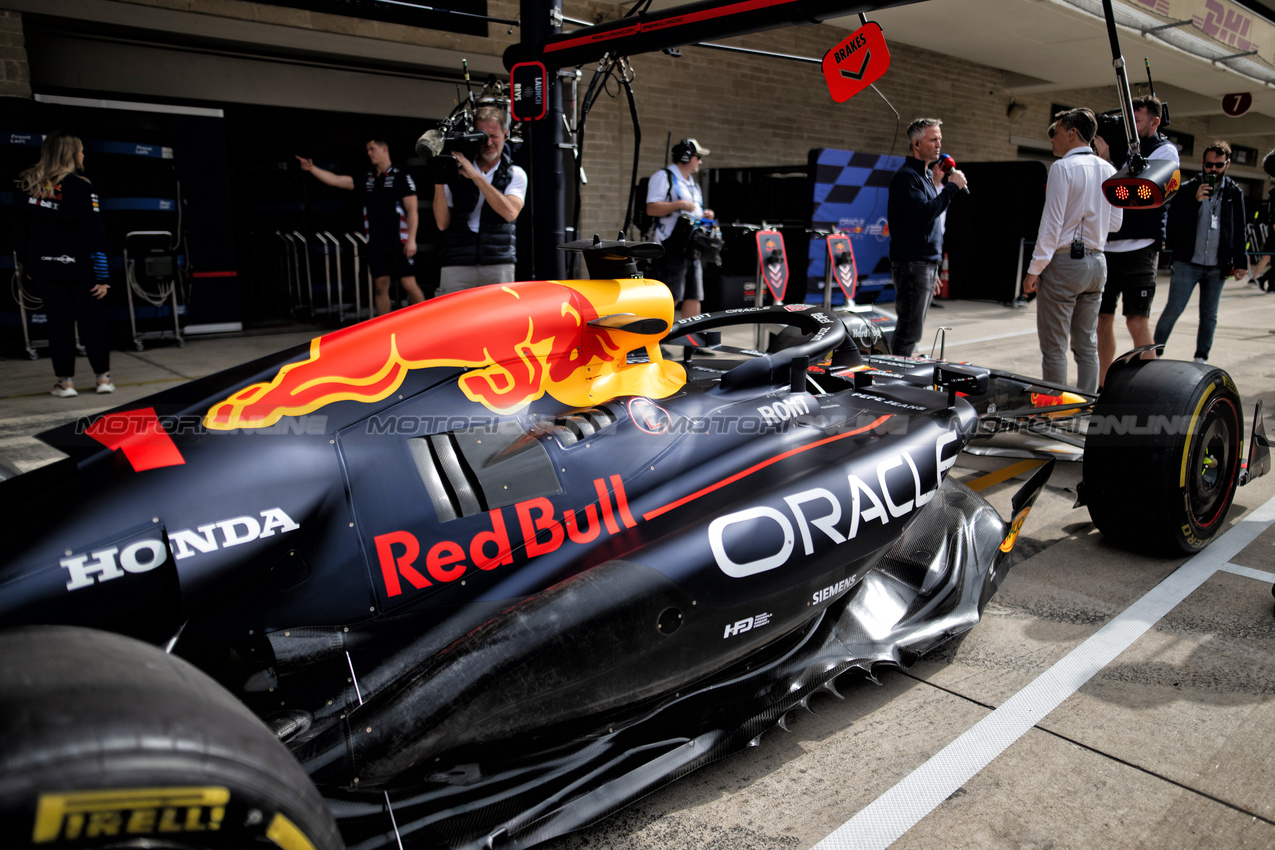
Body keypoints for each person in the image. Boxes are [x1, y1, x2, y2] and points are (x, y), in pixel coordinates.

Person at [1021, 109, 1122, 392]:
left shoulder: (1062, 168)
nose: (1052, 138)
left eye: (1056, 132)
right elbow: (1115, 224)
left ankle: (1054, 412)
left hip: (1066, 263)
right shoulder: (1110, 170)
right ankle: (1085, 405)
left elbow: (1051, 225)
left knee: (1054, 347)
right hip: (1097, 262)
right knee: (1086, 344)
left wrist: (1034, 270)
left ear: (1071, 133)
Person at [13, 131, 114, 398]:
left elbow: (19, 231)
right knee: (92, 322)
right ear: (70, 154)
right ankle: (102, 378)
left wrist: (28, 265)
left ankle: (65, 383)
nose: (83, 155)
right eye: (80, 150)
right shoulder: (82, 186)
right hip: (81, 268)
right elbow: (95, 234)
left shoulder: (27, 184)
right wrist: (102, 276)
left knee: (59, 324)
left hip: (44, 268)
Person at [1093, 95, 1179, 386]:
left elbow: (1137, 189)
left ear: (1155, 122)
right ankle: (1104, 386)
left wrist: (1107, 162)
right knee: (1101, 320)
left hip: (1140, 246)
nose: (1130, 128)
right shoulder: (1116, 148)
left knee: (1135, 320)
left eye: (1137, 122)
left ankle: (1146, 389)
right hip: (1106, 245)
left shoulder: (1165, 151)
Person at [297, 139, 425, 316]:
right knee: (380, 286)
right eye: (367, 150)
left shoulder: (401, 176)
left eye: (372, 149)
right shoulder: (368, 177)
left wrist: (411, 240)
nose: (369, 153)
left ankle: (427, 320)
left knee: (408, 284)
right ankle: (384, 328)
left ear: (384, 149)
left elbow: (412, 210)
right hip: (376, 242)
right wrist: (312, 169)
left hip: (399, 241)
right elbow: (337, 180)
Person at [1156, 141, 1247, 363]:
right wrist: (1195, 202)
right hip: (1188, 262)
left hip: (1219, 264)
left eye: (1218, 165)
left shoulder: (1234, 193)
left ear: (1227, 164)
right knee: (1174, 308)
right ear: (1202, 163)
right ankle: (1155, 352)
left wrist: (1241, 262)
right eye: (1209, 165)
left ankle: (1201, 357)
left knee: (1209, 315)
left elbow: (1239, 229)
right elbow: (1174, 224)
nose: (1213, 170)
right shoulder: (1187, 189)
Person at [886, 118, 967, 356]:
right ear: (916, 144)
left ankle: (901, 371)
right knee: (909, 330)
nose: (939, 144)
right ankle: (895, 380)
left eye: (940, 139)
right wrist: (952, 187)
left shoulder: (925, 177)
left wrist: (934, 265)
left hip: (924, 263)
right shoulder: (907, 177)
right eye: (933, 139)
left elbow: (933, 223)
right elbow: (924, 214)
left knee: (913, 329)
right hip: (913, 263)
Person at [433, 106, 527, 295]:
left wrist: (476, 176)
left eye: (493, 136)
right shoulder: (457, 169)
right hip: (457, 261)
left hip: (497, 262)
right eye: (482, 136)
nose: (488, 142)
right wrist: (439, 176)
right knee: (454, 321)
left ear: (506, 134)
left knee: (499, 321)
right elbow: (442, 223)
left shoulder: (515, 173)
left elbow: (509, 212)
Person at [646, 138, 715, 320]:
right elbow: (651, 208)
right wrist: (677, 205)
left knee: (694, 295)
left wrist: (704, 215)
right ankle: (655, 342)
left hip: (692, 247)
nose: (700, 161)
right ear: (686, 157)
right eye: (698, 157)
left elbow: (694, 211)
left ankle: (691, 343)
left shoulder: (692, 182)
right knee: (671, 296)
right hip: (672, 247)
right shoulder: (663, 177)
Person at [1245, 148, 1275, 290]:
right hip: (1273, 235)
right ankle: (1258, 278)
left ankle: (1263, 279)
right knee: (1266, 257)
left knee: (1267, 258)